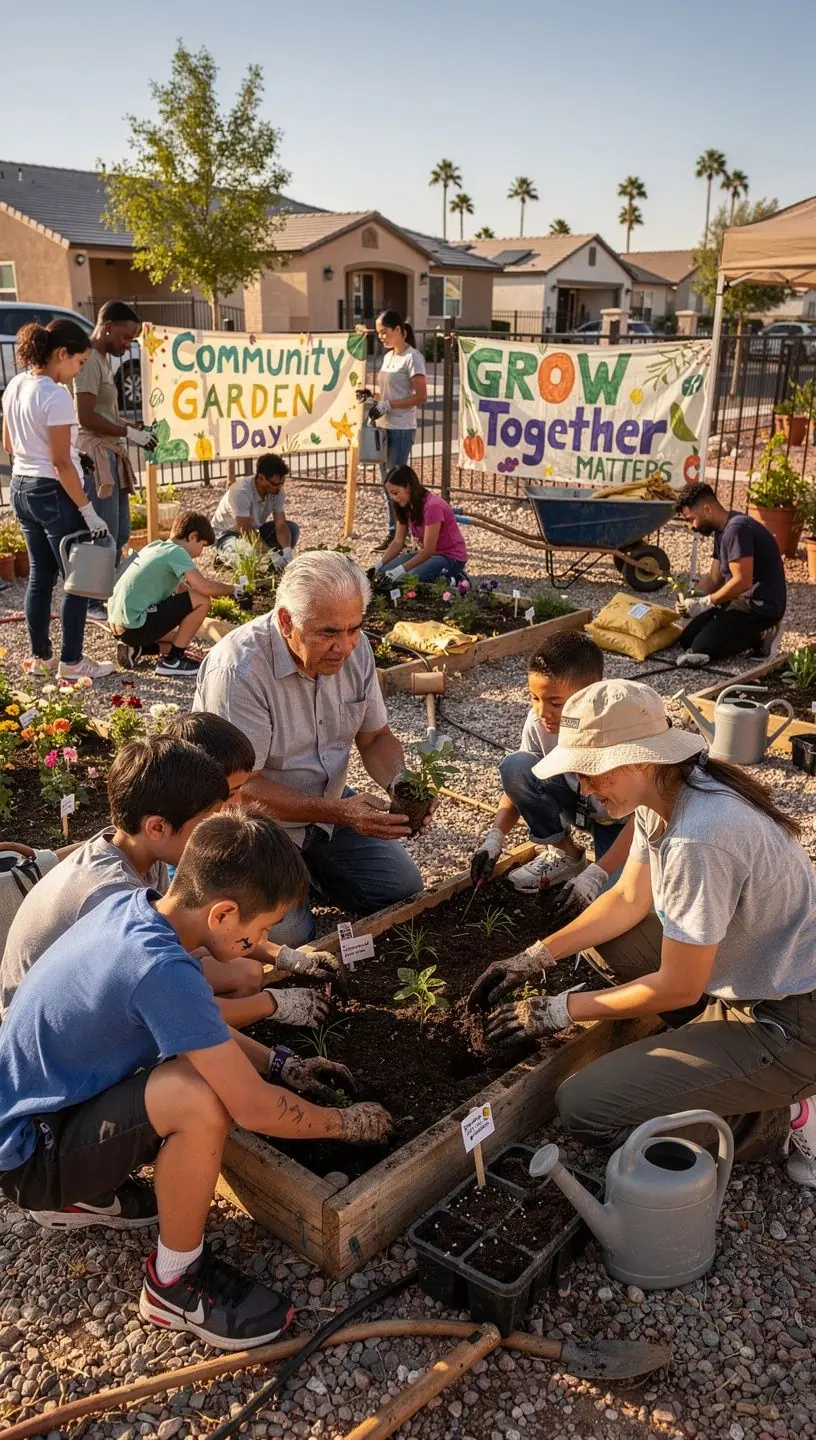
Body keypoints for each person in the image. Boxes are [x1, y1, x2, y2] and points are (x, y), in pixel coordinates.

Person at [0, 808, 390, 1349]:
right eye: (259, 930)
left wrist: (284, 1064)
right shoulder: (160, 971)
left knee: (188, 1069)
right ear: (223, 913)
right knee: (200, 1098)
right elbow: (253, 1107)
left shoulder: (132, 908)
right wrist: (347, 1123)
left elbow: (197, 1028)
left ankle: (85, 1196)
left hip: (39, 1109)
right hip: (29, 1155)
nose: (260, 942)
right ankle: (173, 1283)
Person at [468, 679, 816, 1188]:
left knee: (584, 1107)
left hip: (788, 1023)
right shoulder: (665, 794)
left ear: (637, 759)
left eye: (590, 773)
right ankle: (717, 1060)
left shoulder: (701, 837)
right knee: (611, 945)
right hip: (754, 979)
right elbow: (628, 899)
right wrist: (536, 955)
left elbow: (679, 987)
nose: (584, 790)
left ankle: (779, 1118)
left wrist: (561, 1010)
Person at [193, 551, 425, 946]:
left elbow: (375, 738)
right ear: (286, 621)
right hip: (252, 826)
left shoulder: (357, 650)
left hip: (328, 810)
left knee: (401, 888)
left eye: (354, 628)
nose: (345, 646)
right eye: (328, 633)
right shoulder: (239, 670)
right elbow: (242, 789)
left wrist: (402, 784)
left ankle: (304, 872)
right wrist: (341, 813)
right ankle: (280, 876)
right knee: (290, 937)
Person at [470, 634, 633, 900]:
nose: (542, 711)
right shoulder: (539, 722)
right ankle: (566, 854)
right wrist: (495, 836)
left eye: (555, 703)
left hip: (621, 822)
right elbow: (518, 781)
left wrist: (599, 873)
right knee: (516, 765)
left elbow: (645, 817)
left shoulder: (620, 730)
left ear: (592, 692)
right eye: (534, 698)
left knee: (614, 899)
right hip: (576, 806)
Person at [2, 320, 115, 682]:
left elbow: (9, 445)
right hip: (54, 492)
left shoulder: (16, 385)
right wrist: (87, 511)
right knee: (78, 579)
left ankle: (41, 658)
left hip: (21, 488)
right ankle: (72, 661)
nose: (78, 371)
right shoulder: (55, 395)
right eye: (79, 362)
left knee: (40, 576)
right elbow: (60, 462)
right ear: (61, 354)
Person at [74, 300, 157, 588]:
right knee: (103, 534)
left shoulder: (102, 360)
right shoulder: (87, 361)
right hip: (96, 456)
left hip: (110, 452)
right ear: (107, 327)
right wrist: (128, 435)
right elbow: (85, 417)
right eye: (125, 337)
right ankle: (93, 596)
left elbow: (103, 412)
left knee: (120, 533)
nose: (128, 345)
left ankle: (110, 591)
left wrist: (130, 426)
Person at [108, 510, 243, 675]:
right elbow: (204, 588)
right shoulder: (177, 552)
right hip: (135, 627)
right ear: (193, 536)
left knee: (178, 638)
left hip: (119, 627)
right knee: (203, 601)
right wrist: (233, 589)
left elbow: (181, 589)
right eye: (203, 545)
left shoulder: (155, 546)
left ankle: (137, 649)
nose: (201, 553)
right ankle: (173, 661)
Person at [674, 482, 787, 666]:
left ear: (707, 509)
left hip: (760, 606)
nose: (691, 527)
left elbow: (742, 582)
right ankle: (743, 633)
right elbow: (714, 578)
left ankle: (764, 633)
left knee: (701, 649)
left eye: (691, 519)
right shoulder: (722, 531)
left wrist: (706, 602)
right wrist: (692, 599)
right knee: (686, 640)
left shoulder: (737, 529)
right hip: (741, 601)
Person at [368, 311, 427, 547]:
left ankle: (407, 534)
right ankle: (394, 533)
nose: (380, 336)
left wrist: (389, 404)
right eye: (378, 332)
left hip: (401, 428)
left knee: (397, 484)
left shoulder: (413, 358)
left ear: (398, 330)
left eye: (384, 332)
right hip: (384, 428)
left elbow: (421, 397)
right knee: (387, 484)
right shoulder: (388, 357)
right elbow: (386, 395)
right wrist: (372, 397)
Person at [376, 464, 468, 583]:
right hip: (431, 556)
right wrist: (378, 565)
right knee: (384, 572)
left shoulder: (432, 506)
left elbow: (429, 549)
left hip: (450, 557)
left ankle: (456, 578)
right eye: (391, 494)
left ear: (408, 487)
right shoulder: (405, 505)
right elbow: (398, 541)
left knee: (405, 578)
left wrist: (399, 570)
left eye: (395, 492)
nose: (393, 498)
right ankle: (440, 575)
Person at [212, 453, 298, 567]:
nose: (280, 487)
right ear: (261, 478)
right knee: (247, 555)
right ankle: (223, 558)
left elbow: (281, 525)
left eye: (282, 483)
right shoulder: (240, 492)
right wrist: (270, 555)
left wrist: (287, 550)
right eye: (275, 484)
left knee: (292, 529)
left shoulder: (277, 491)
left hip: (254, 530)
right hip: (226, 534)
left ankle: (275, 561)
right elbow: (246, 531)